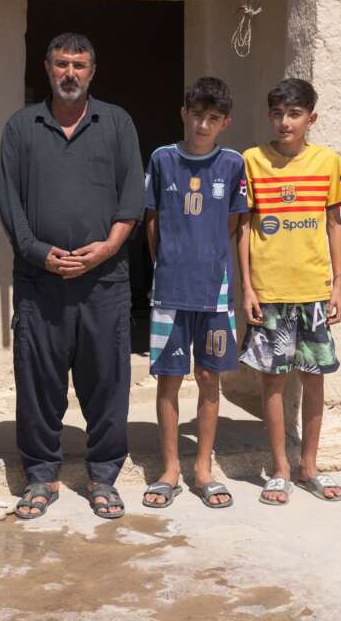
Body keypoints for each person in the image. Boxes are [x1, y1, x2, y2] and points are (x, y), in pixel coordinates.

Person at [0, 32, 144, 520]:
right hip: (41, 283)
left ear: (93, 71)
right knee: (38, 383)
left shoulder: (116, 123)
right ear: (47, 68)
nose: (70, 74)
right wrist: (38, 251)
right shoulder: (22, 127)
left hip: (105, 282)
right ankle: (40, 476)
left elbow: (131, 199)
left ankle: (103, 476)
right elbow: (6, 200)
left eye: (79, 65)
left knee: (107, 382)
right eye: (62, 64)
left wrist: (107, 249)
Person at [238, 78, 341, 505]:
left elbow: (335, 223)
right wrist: (247, 286)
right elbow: (245, 227)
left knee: (315, 378)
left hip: (314, 290)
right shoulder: (252, 161)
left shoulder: (327, 162)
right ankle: (280, 470)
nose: (285, 122)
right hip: (269, 290)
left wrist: (338, 283)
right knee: (273, 380)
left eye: (294, 114)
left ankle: (309, 467)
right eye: (278, 114)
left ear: (311, 118)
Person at [141, 77, 248, 511]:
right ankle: (170, 471)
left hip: (215, 294)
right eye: (197, 115)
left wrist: (213, 264)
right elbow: (152, 222)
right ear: (184, 114)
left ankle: (203, 469)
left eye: (213, 118)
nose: (203, 125)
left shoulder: (233, 164)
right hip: (169, 290)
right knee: (169, 379)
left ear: (225, 122)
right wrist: (168, 262)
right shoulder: (163, 159)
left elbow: (235, 225)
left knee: (208, 378)